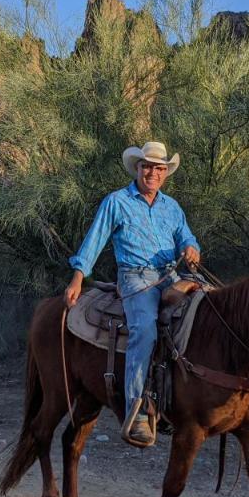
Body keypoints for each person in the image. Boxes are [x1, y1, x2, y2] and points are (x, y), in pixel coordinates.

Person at [65, 141, 201, 448]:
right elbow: (95, 240)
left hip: (172, 274)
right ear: (137, 169)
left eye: (159, 168)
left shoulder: (172, 207)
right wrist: (77, 278)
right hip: (135, 278)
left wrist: (192, 249)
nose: (152, 173)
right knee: (145, 330)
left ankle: (186, 398)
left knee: (207, 311)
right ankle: (137, 409)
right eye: (147, 167)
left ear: (166, 173)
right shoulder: (117, 202)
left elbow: (187, 238)